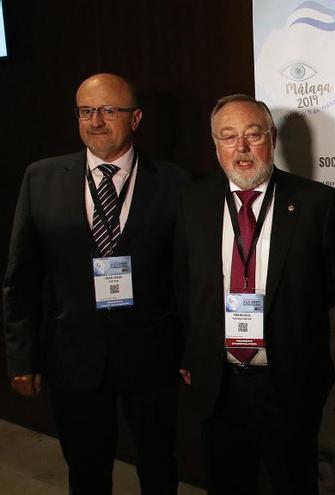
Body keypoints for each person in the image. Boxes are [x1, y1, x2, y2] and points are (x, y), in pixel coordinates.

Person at [3, 73, 187, 494]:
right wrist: (21, 358)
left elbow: (187, 276)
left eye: (108, 110)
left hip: (152, 357)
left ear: (135, 118)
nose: (96, 121)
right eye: (86, 111)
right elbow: (22, 277)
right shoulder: (41, 178)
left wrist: (191, 349)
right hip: (74, 359)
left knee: (159, 468)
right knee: (86, 472)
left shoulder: (174, 183)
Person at [175, 94, 335, 495]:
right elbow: (184, 284)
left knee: (293, 483)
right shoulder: (192, 201)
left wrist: (285, 316)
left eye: (253, 134)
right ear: (216, 145)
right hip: (218, 381)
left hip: (287, 378)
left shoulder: (314, 203)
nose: (241, 147)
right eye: (228, 136)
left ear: (272, 139)